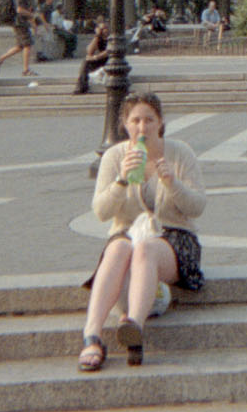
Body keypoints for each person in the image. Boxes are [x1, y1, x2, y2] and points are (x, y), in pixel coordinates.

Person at [78, 92, 206, 372]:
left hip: (174, 237)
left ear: (160, 123)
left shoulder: (179, 152)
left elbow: (197, 207)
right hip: (127, 233)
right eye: (135, 120)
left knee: (145, 247)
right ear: (125, 124)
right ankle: (92, 336)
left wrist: (172, 183)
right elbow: (101, 211)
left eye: (149, 119)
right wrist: (121, 181)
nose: (142, 127)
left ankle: (134, 326)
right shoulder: (115, 156)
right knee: (118, 247)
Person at [0, 0, 44, 78]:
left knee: (20, 46)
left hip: (22, 22)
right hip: (19, 23)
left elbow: (27, 10)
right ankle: (26, 70)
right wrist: (33, 16)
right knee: (28, 44)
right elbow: (20, 10)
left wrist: (32, 21)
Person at [73, 17, 110, 95]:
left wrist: (94, 57)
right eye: (102, 29)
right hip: (100, 61)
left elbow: (108, 51)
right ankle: (82, 86)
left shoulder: (112, 38)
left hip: (110, 61)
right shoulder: (98, 38)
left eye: (106, 28)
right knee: (86, 62)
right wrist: (97, 36)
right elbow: (89, 51)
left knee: (89, 60)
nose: (104, 31)